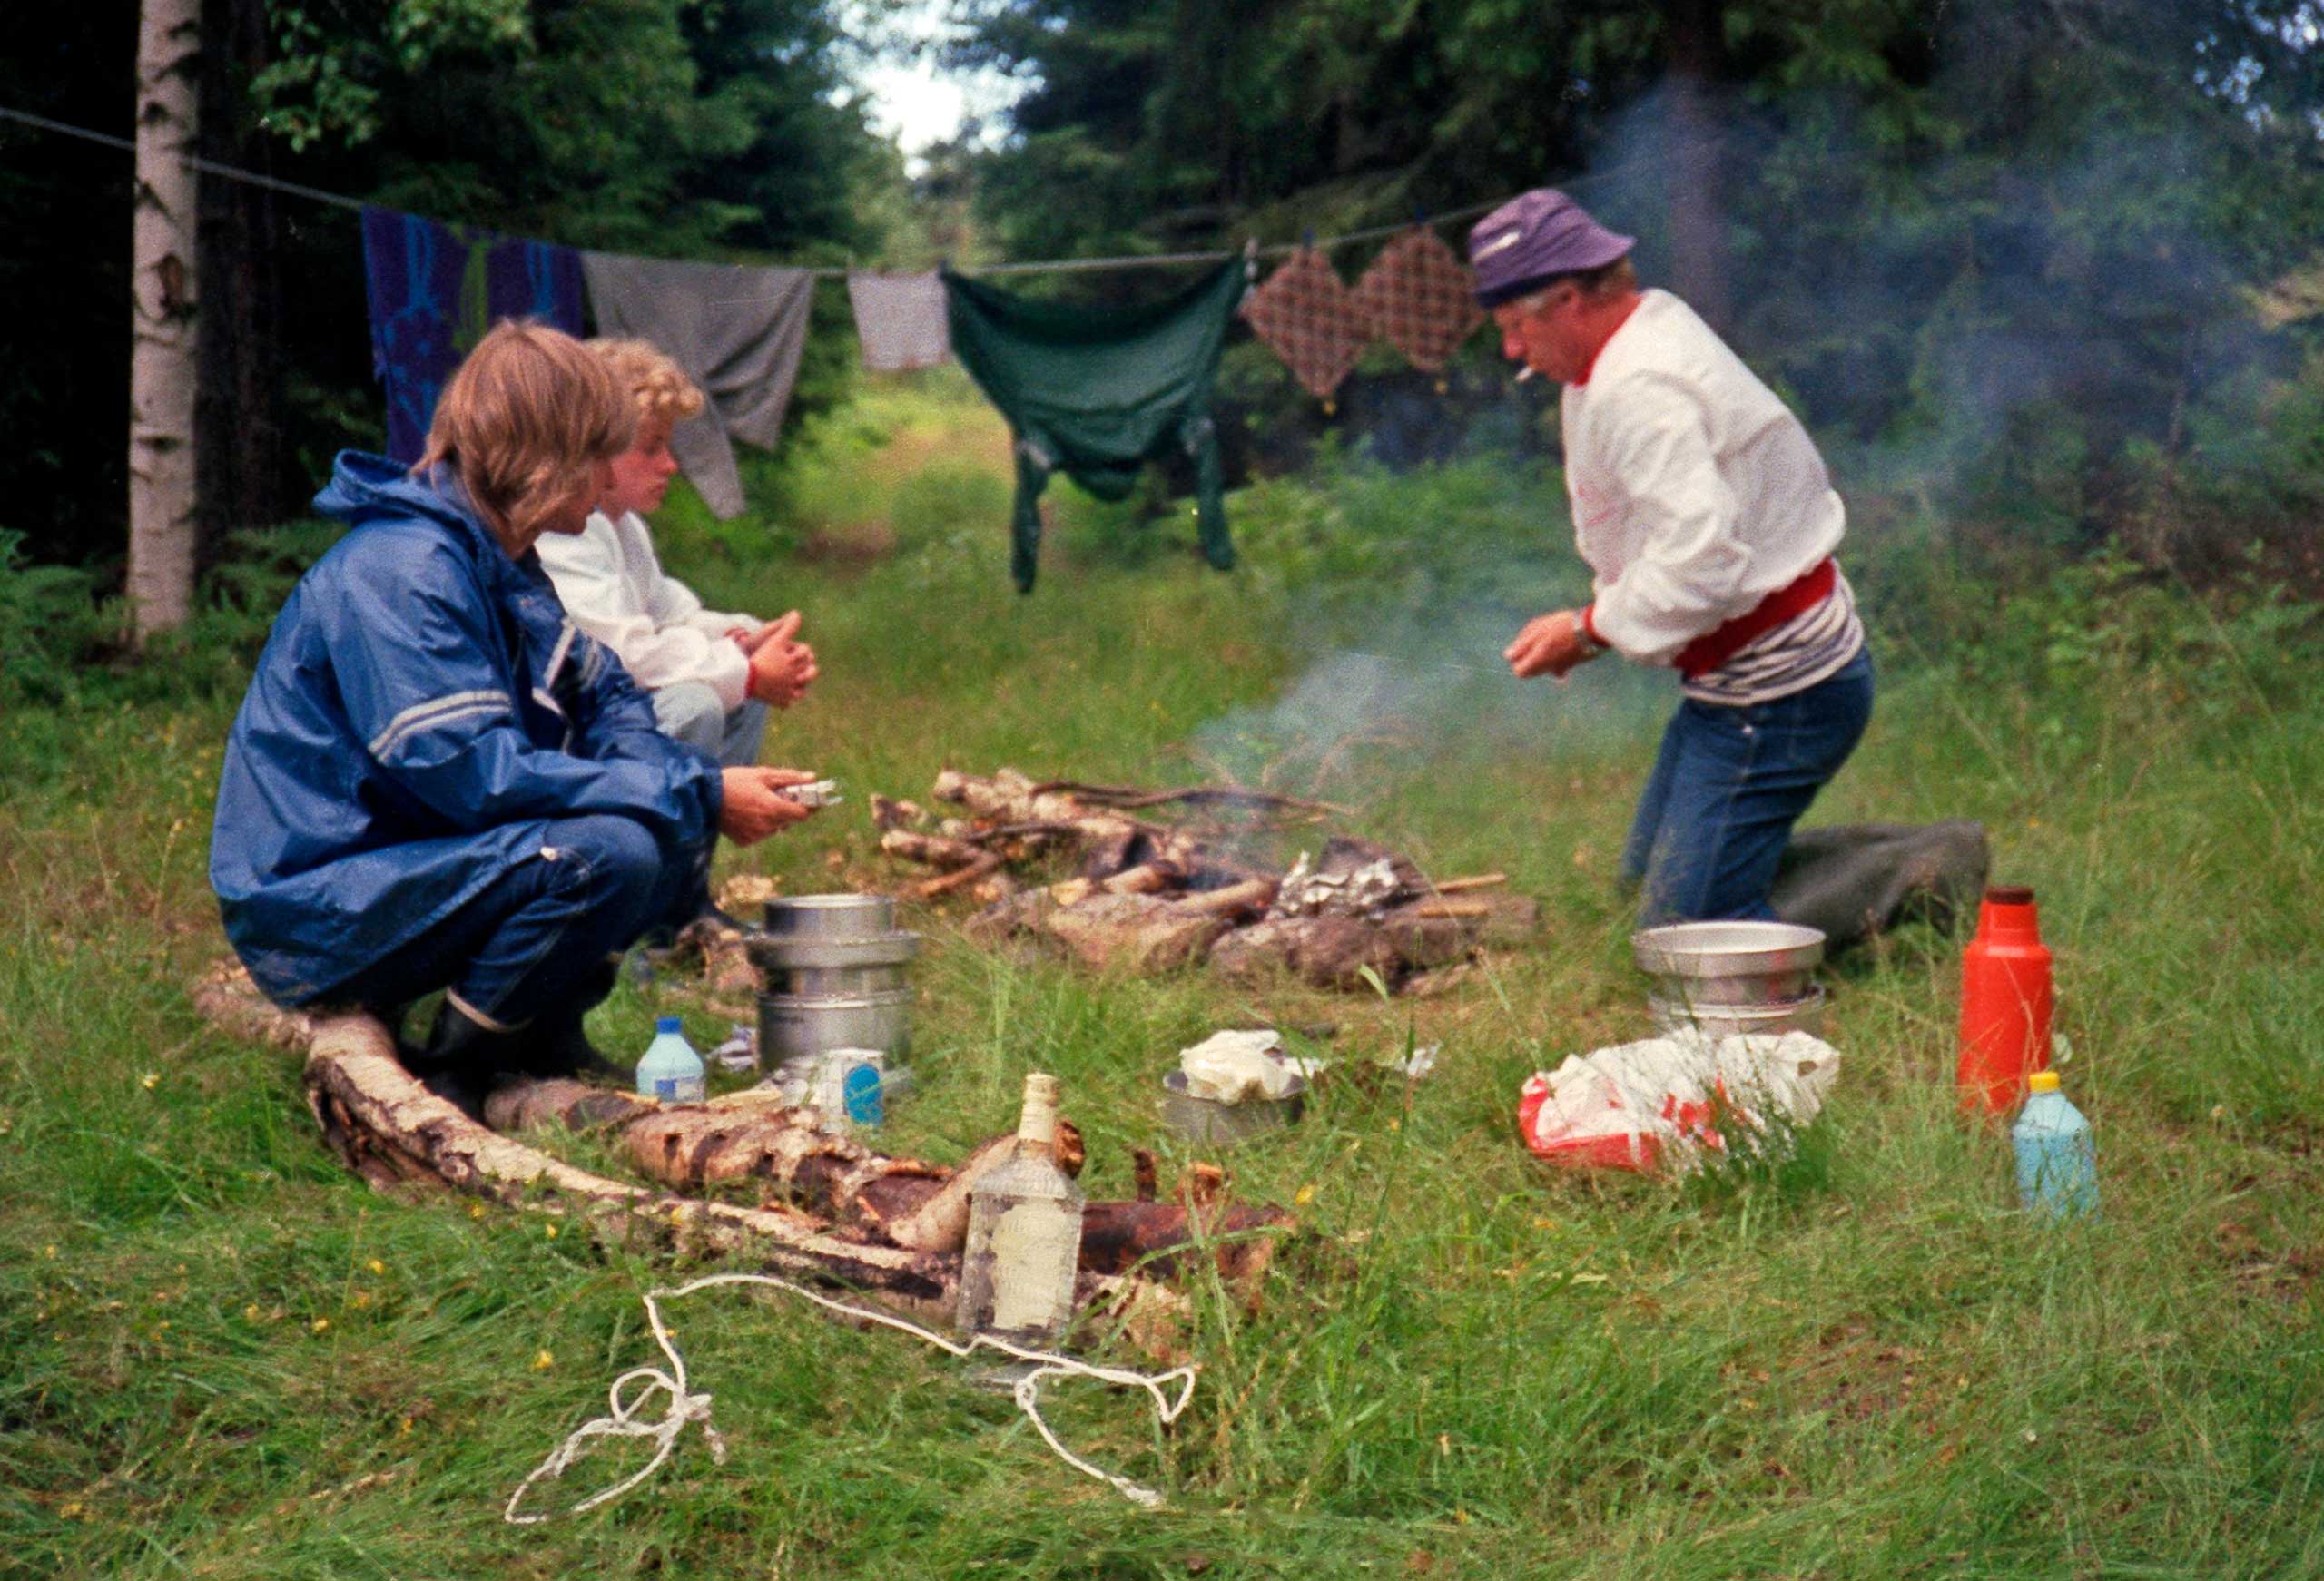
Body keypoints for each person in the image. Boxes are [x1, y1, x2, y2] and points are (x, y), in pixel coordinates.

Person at [209, 321, 822, 1113]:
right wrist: (699, 793)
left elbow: (605, 693)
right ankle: (453, 1066)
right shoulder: (404, 573)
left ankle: (541, 1037)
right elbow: (473, 776)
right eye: (600, 454)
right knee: (611, 846)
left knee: (651, 811)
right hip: (318, 899)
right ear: (549, 458)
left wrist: (685, 784)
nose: (610, 478)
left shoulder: (497, 555)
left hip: (403, 863)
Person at [1472, 189, 1875, 927]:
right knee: (1640, 891)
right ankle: (1765, 869)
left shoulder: (1642, 385)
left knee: (1681, 934)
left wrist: (1589, 628)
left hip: (1782, 691)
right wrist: (1597, 625)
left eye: (1515, 326)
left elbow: (1701, 562)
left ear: (1567, 299)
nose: (1511, 350)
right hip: (1726, 681)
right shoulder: (1621, 348)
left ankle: (1908, 878)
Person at [536, 338, 818, 767]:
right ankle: (655, 827)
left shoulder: (622, 524)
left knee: (735, 689)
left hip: (605, 710)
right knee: (697, 703)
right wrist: (750, 672)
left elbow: (670, 614)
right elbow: (623, 654)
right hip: (557, 735)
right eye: (651, 447)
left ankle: (703, 820)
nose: (669, 464)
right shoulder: (562, 528)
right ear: (597, 444)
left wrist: (745, 638)